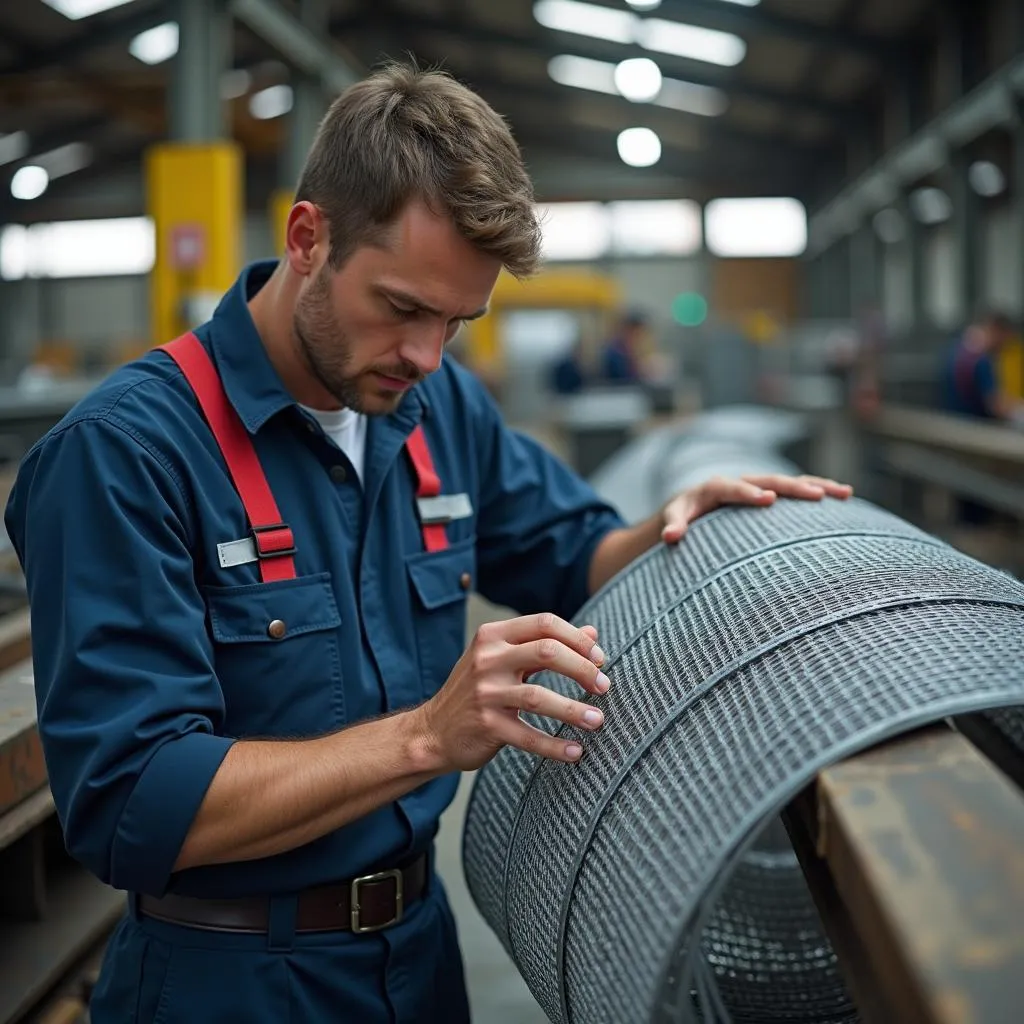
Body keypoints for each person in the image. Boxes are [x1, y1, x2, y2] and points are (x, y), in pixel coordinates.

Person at [3, 63, 853, 1024]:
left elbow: (570, 553)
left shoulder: (431, 404)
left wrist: (675, 527)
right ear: (308, 238)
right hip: (231, 978)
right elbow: (130, 802)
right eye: (404, 308)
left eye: (458, 322)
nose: (426, 355)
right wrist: (425, 736)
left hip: (417, 961)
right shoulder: (127, 456)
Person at [941, 310, 1024, 425]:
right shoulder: (980, 360)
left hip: (950, 423)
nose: (1003, 347)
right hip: (974, 428)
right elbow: (995, 405)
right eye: (1004, 340)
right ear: (996, 330)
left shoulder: (956, 349)